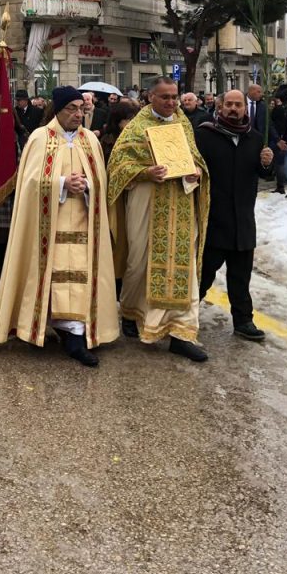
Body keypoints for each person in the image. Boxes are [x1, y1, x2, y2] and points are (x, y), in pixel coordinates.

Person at [0, 86, 119, 367]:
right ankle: (55, 328)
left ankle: (76, 332)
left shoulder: (90, 140)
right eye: (71, 109)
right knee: (52, 277)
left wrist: (88, 186)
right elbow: (29, 183)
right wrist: (61, 183)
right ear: (57, 110)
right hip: (48, 227)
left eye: (81, 108)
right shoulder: (40, 138)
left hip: (84, 223)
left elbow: (101, 179)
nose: (78, 114)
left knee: (80, 276)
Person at [107, 76, 210, 363]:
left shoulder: (183, 124)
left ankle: (180, 333)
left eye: (175, 96)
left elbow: (195, 160)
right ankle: (132, 312)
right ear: (150, 96)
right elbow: (118, 166)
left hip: (180, 203)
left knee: (183, 268)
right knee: (139, 262)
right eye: (165, 97)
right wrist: (144, 173)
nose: (171, 102)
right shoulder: (137, 127)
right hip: (146, 203)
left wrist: (196, 173)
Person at [195, 89, 274, 342]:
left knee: (241, 277)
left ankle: (243, 320)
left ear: (244, 108)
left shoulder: (255, 138)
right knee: (203, 275)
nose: (233, 108)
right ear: (220, 107)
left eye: (238, 105)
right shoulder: (204, 135)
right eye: (228, 104)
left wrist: (267, 163)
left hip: (243, 220)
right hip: (215, 220)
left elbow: (264, 174)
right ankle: (185, 317)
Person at [100, 100, 139, 165]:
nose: (131, 123)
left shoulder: (137, 138)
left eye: (133, 119)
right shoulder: (107, 141)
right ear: (117, 120)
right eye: (128, 119)